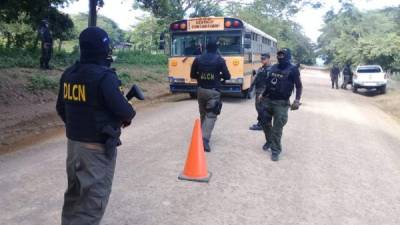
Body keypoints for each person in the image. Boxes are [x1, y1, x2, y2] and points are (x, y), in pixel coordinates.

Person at [56, 27, 135, 225]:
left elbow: (60, 108)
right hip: (96, 150)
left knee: (74, 198)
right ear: (104, 48)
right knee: (91, 205)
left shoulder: (68, 74)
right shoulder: (104, 76)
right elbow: (126, 112)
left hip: (74, 147)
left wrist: (79, 127)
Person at [260, 48, 303, 161]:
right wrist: (263, 95)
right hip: (268, 100)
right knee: (264, 122)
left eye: (282, 54)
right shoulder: (273, 67)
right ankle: (269, 141)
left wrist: (297, 100)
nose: (280, 57)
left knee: (277, 128)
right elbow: (269, 84)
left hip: (282, 103)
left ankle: (275, 150)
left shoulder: (293, 69)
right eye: (279, 54)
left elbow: (298, 86)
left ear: (287, 56)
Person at [190, 38, 231, 152]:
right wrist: (219, 77)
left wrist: (201, 77)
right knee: (211, 115)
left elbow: (192, 75)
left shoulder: (198, 59)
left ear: (206, 48)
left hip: (201, 90)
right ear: (217, 48)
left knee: (203, 113)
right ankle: (204, 139)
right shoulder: (220, 60)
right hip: (213, 91)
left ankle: (201, 135)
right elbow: (227, 76)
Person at [249, 53, 271, 131]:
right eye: (261, 59)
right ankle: (260, 122)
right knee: (258, 107)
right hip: (258, 90)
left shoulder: (270, 69)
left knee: (261, 108)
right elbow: (256, 78)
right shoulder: (261, 68)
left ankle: (262, 124)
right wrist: (251, 87)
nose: (262, 60)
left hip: (264, 91)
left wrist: (264, 92)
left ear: (268, 59)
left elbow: (270, 83)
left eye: (264, 59)